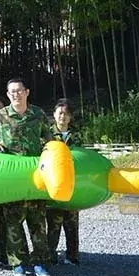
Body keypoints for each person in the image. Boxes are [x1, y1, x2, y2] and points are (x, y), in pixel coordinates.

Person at [0, 78, 55, 276]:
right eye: (12, 92)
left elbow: (49, 137)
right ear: (8, 95)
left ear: (27, 92)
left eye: (19, 91)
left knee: (38, 225)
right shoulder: (1, 116)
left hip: (35, 178)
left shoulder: (38, 114)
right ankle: (18, 263)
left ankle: (40, 263)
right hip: (11, 179)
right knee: (13, 224)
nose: (16, 94)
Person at [46, 99, 81, 266]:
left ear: (70, 117)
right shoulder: (47, 134)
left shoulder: (76, 136)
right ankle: (50, 255)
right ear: (54, 115)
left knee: (72, 223)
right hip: (55, 183)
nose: (63, 117)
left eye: (66, 114)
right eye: (60, 113)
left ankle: (72, 255)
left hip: (72, 184)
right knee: (53, 224)